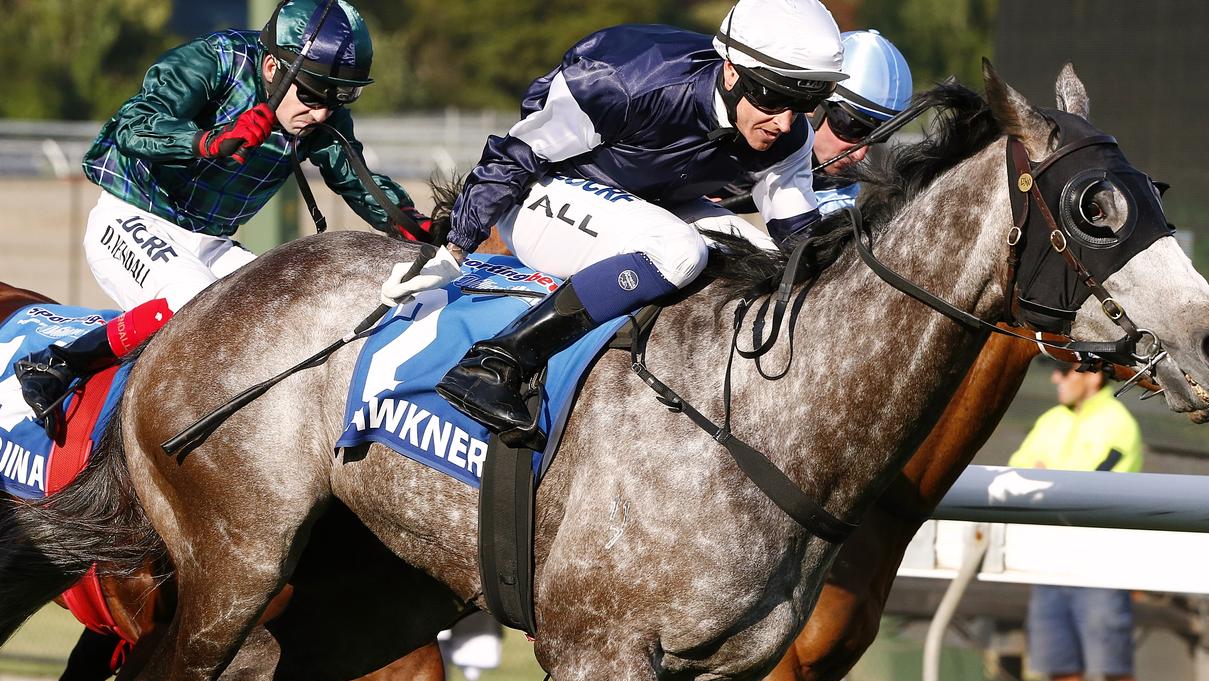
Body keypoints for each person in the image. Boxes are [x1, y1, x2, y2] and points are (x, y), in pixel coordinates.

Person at [383, 0, 849, 449]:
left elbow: (799, 238)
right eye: (773, 97)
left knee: (764, 258)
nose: (786, 123)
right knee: (679, 250)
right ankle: (494, 363)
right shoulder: (624, 84)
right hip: (545, 191)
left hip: (652, 204)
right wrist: (456, 247)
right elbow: (515, 154)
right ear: (731, 70)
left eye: (804, 104)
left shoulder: (788, 138)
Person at [15, 0, 434, 438]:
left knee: (289, 311)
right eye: (311, 94)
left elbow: (357, 180)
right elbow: (132, 125)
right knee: (198, 305)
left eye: (340, 97)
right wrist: (209, 141)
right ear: (273, 66)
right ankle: (61, 360)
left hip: (210, 240)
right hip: (133, 215)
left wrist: (411, 222)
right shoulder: (213, 60)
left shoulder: (320, 116)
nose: (323, 113)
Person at [1010, 360, 1147, 681]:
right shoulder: (1050, 420)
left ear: (1093, 374)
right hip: (1049, 568)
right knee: (1063, 676)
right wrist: (1046, 482)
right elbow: (1016, 472)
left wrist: (1045, 480)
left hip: (1099, 568)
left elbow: (1094, 488)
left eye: (1064, 369)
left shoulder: (1120, 424)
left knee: (1117, 674)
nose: (1056, 377)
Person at [809, 29, 912, 214]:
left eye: (875, 137)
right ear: (813, 107)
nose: (860, 154)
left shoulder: (840, 187)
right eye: (853, 128)